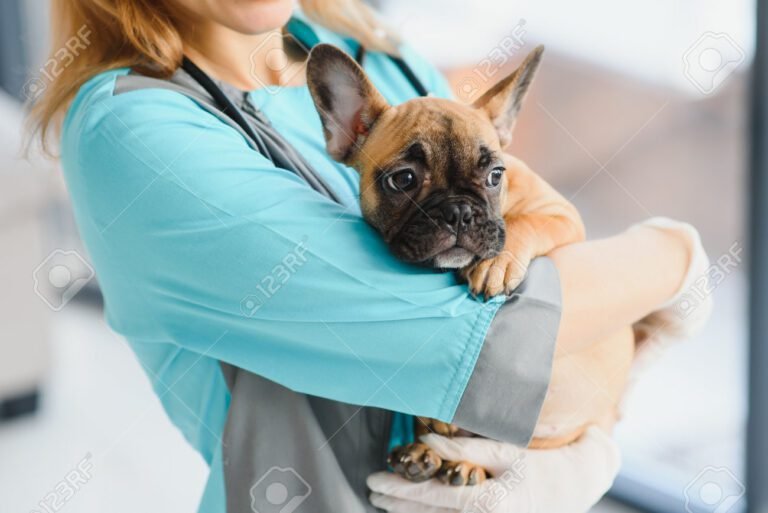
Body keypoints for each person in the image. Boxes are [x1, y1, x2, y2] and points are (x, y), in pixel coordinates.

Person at [28, 0, 704, 511]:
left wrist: (583, 447)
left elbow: (535, 224)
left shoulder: (380, 55)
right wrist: (668, 256)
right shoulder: (136, 127)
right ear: (343, 125)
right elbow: (491, 335)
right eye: (404, 181)